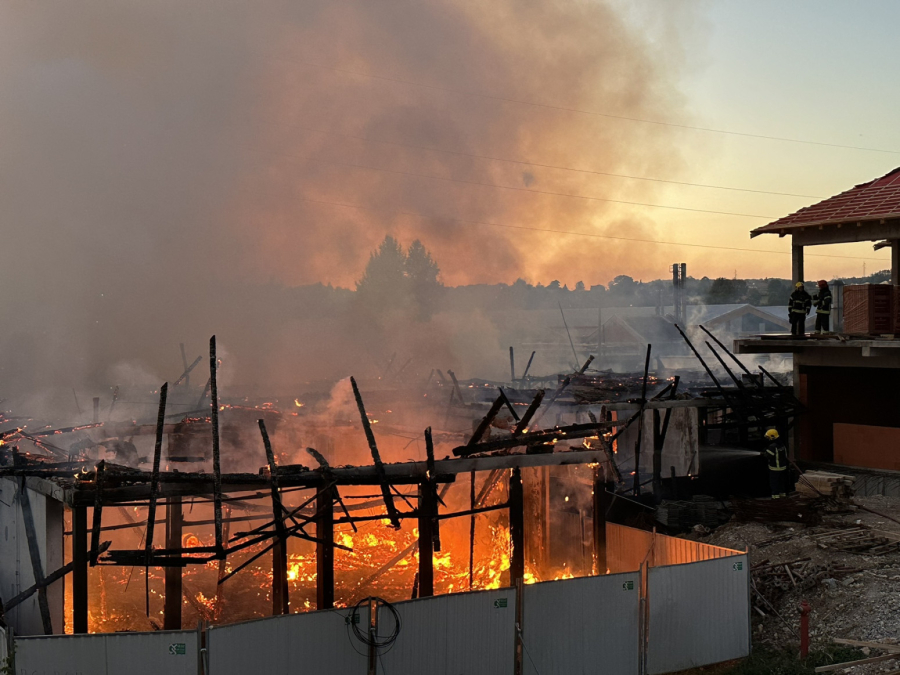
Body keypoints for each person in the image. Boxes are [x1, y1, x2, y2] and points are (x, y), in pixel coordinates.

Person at [764, 429, 789, 498]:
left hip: (774, 469)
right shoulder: (782, 444)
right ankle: (783, 496)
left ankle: (775, 498)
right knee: (782, 484)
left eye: (768, 437)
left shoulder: (772, 446)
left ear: (772, 437)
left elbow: (768, 456)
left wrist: (763, 453)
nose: (767, 439)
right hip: (783, 468)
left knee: (774, 484)